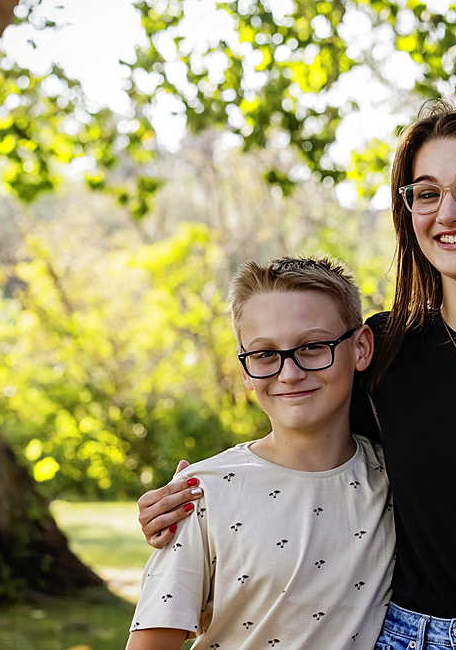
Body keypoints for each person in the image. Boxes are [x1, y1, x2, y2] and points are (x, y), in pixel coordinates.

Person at [138, 100, 456, 650]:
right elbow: (302, 440)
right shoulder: (383, 347)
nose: (448, 212)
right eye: (426, 193)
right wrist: (193, 507)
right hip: (405, 637)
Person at [125, 256, 394, 650]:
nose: (290, 373)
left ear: (361, 348)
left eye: (314, 346)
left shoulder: (395, 477)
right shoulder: (201, 493)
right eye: (265, 354)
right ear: (246, 369)